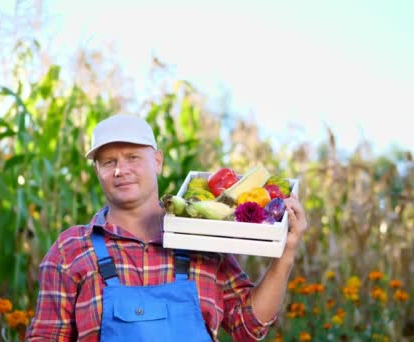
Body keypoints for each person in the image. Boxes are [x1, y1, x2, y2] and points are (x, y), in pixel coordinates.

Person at [26, 113, 308, 341]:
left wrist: (285, 256)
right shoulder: (71, 250)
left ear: (157, 161)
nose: (119, 170)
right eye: (108, 162)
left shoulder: (201, 235)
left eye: (132, 157)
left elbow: (248, 327)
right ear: (97, 171)